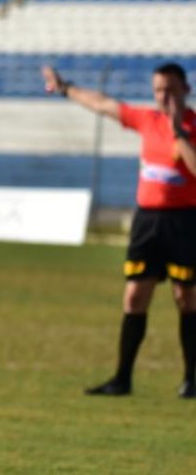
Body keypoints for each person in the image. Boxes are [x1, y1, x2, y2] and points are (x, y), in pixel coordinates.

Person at [42, 63, 196, 399]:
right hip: (148, 222)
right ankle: (122, 378)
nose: (164, 96)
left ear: (185, 89)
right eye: (158, 90)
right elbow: (103, 104)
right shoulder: (147, 120)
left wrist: (179, 134)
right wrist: (66, 87)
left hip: (185, 221)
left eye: (170, 89)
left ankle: (191, 379)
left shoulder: (191, 125)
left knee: (186, 299)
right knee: (134, 296)